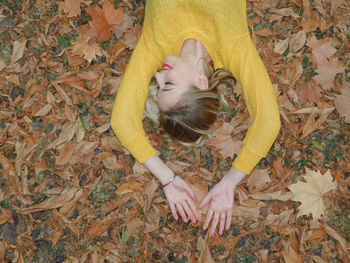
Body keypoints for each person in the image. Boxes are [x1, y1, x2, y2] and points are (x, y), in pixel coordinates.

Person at [110, 0, 281, 236]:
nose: (158, 75)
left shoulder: (155, 46)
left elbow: (121, 121)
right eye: (168, 84)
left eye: (159, 85)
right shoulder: (233, 46)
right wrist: (229, 182)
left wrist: (167, 179)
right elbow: (269, 122)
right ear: (201, 82)